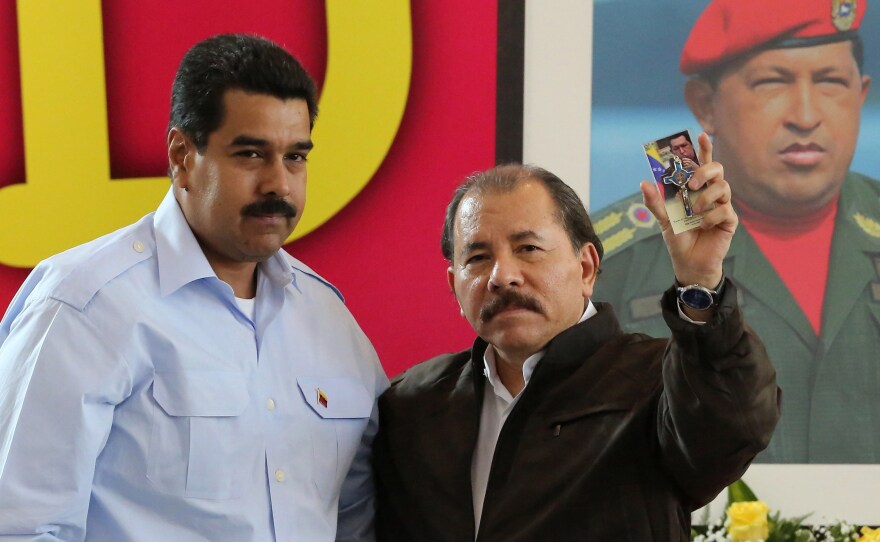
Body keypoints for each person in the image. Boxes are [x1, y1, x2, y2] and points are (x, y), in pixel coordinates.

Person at [0, 34, 387, 541]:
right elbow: (22, 526)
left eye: (295, 157)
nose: (279, 184)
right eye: (251, 154)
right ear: (182, 156)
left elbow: (358, 514)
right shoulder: (84, 305)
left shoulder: (329, 318)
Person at [373, 148, 780, 540]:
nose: (502, 276)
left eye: (528, 249)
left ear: (586, 267)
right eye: (478, 258)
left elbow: (734, 427)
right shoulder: (412, 404)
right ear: (453, 286)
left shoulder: (660, 383)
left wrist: (700, 281)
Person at [592, 0, 878, 463]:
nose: (805, 116)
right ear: (704, 106)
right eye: (772, 83)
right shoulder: (613, 255)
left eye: (830, 83)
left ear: (861, 95)